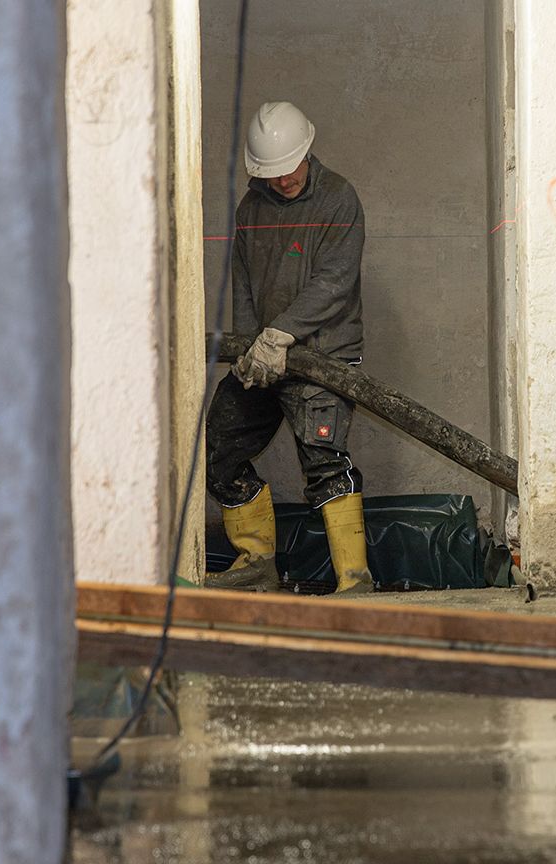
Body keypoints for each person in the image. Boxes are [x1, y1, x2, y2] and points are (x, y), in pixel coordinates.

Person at [204, 101, 373, 595]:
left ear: (308, 150)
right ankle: (256, 561)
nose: (283, 181)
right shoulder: (251, 209)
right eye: (273, 173)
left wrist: (281, 335)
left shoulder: (339, 198)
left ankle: (354, 581)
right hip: (262, 355)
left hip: (324, 356)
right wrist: (248, 346)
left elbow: (334, 283)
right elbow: (244, 283)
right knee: (222, 444)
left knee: (323, 459)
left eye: (290, 168)